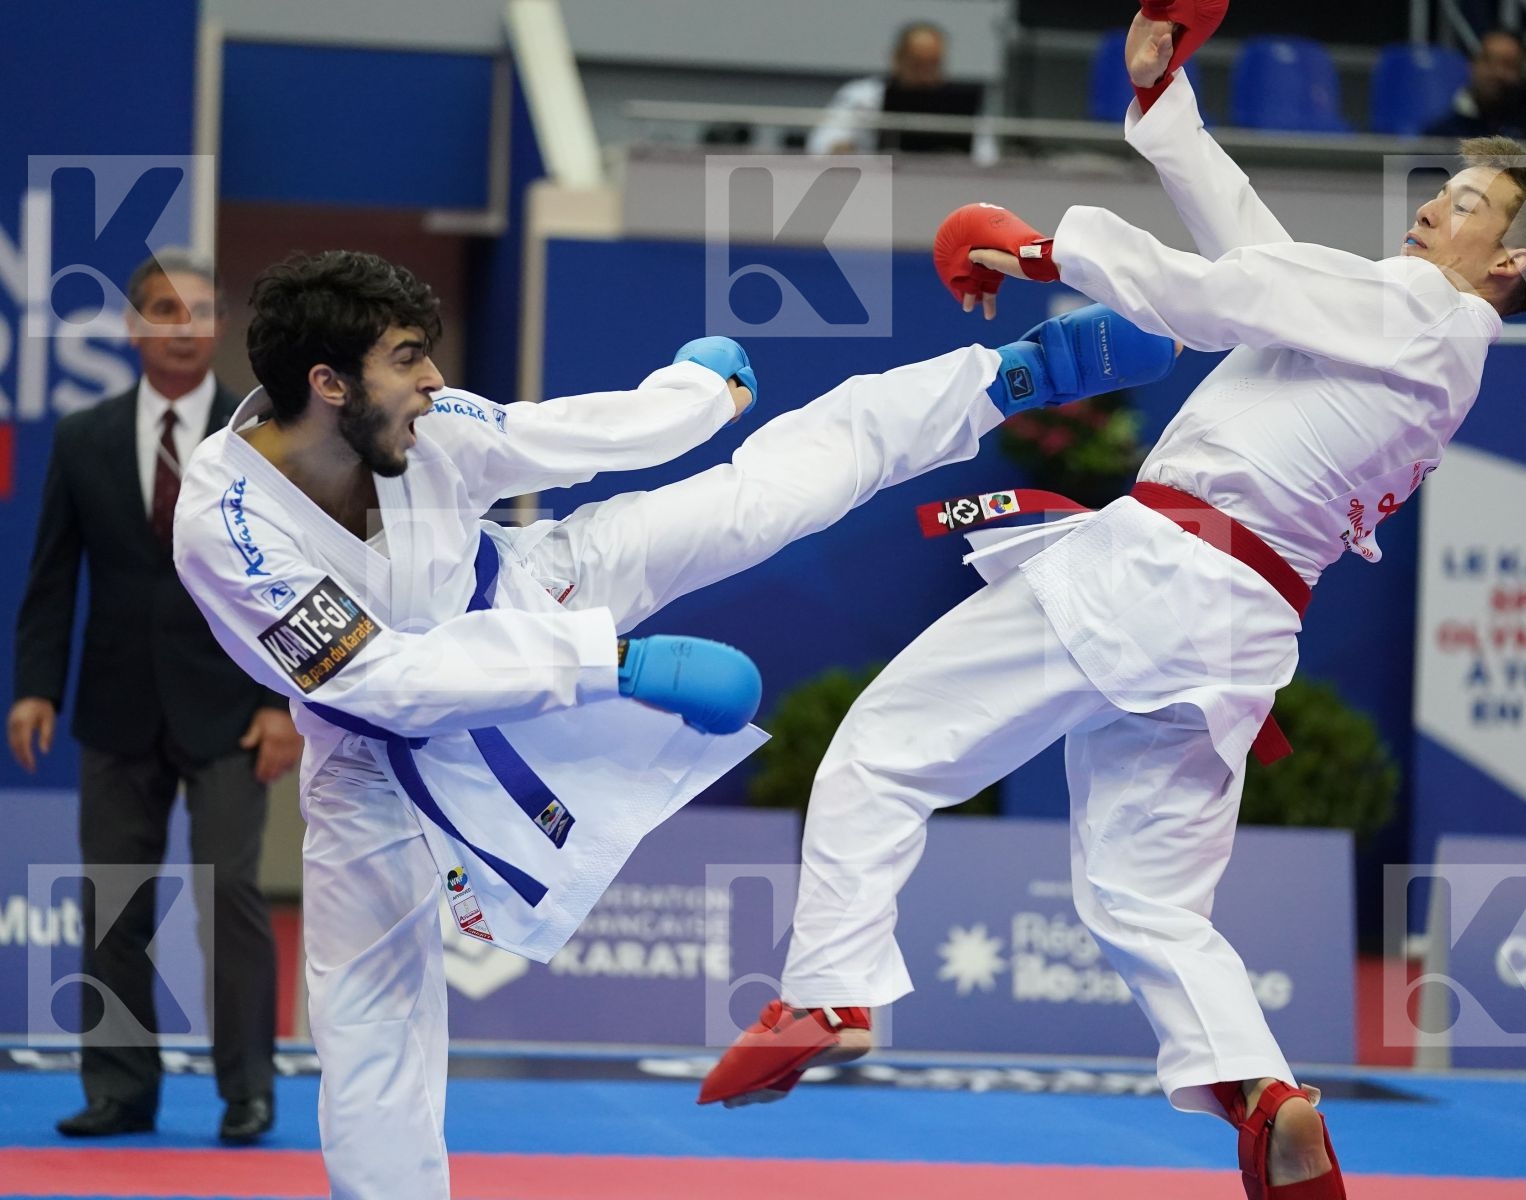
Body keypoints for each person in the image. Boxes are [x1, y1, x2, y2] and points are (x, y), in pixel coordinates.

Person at [700, 7, 1526, 1200]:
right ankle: (1261, 1095)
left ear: (1509, 260)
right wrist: (1169, 108)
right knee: (1144, 899)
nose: (1435, 200)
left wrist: (1044, 252)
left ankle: (830, 986)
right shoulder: (1404, 329)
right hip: (1236, 633)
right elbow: (1256, 259)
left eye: (1467, 202)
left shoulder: (1424, 312)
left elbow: (1218, 298)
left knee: (884, 752)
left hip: (1157, 576)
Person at [170, 249, 1173, 1198]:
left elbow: (557, 435)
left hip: (530, 588)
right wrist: (613, 664)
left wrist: (692, 395)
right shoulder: (228, 527)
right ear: (329, 384)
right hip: (376, 760)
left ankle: (1006, 377)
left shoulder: (420, 417)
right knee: (369, 1024)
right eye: (406, 359)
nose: (433, 379)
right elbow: (380, 677)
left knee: (756, 499)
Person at [9, 251, 299, 1144]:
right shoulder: (84, 435)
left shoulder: (262, 439)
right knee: (114, 902)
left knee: (231, 899)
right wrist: (33, 689)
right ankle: (120, 1091)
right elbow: (54, 577)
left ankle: (248, 1092)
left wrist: (285, 703)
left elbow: (296, 581)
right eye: (164, 310)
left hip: (233, 710)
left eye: (200, 310)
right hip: (116, 706)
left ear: (218, 327)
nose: (182, 325)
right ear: (136, 328)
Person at [807, 21, 1000, 165]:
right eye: (917, 64)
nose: (925, 74)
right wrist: (841, 150)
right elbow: (821, 144)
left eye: (933, 65)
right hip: (877, 190)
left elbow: (987, 158)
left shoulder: (961, 104)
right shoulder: (862, 96)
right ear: (896, 59)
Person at [1424, 28, 1526, 145]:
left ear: (1521, 73)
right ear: (1472, 65)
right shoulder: (1444, 134)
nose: (1496, 73)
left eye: (1507, 65)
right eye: (1488, 61)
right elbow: (1420, 179)